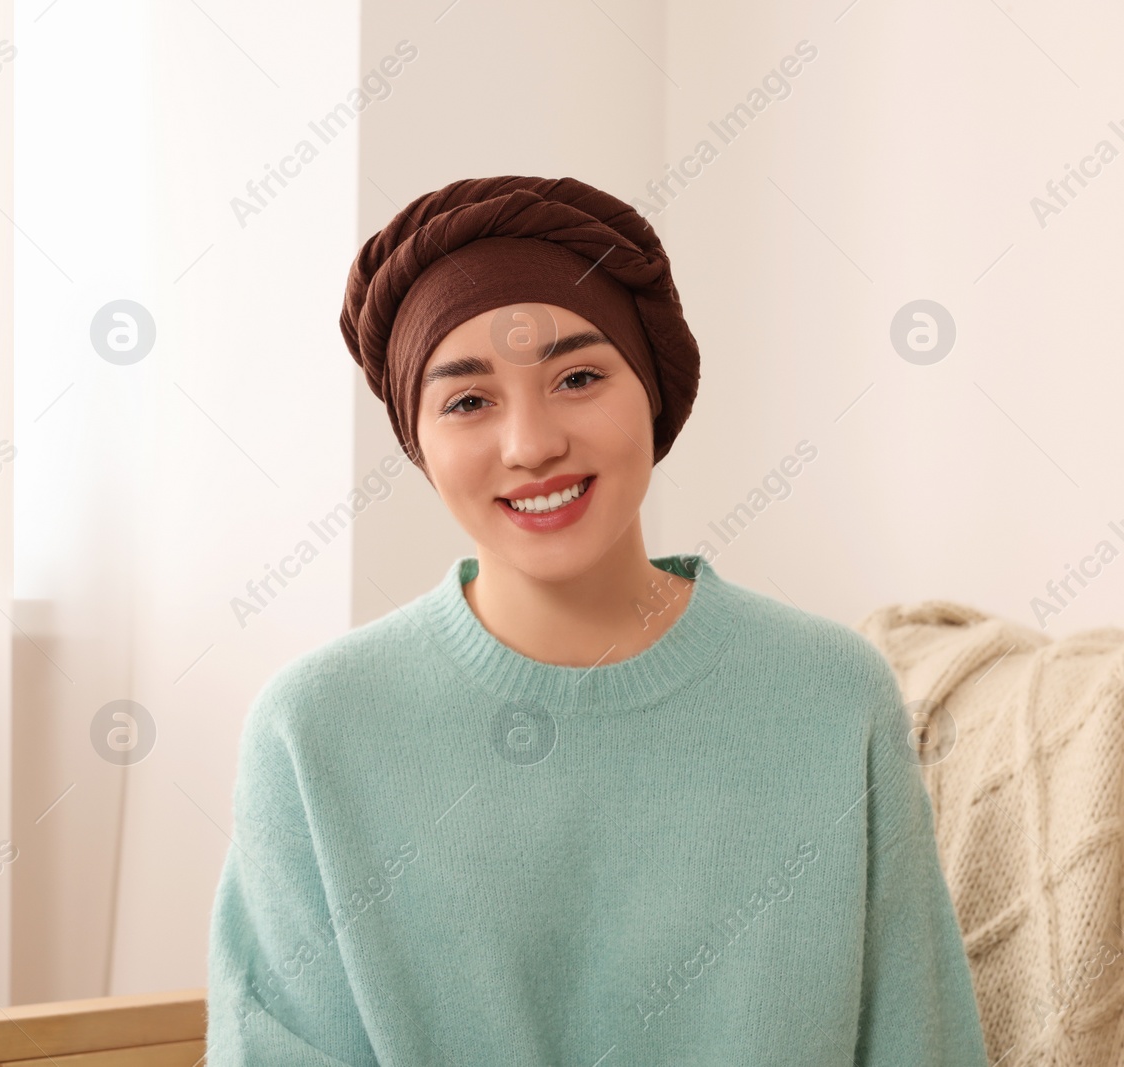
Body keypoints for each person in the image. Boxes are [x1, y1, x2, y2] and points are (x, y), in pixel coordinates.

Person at [203, 176, 990, 1065]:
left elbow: (921, 1038)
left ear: (652, 394)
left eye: (578, 376)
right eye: (468, 399)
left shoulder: (831, 694)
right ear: (419, 442)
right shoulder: (313, 730)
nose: (531, 443)